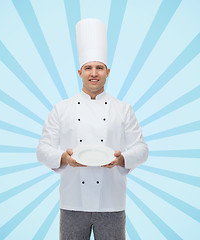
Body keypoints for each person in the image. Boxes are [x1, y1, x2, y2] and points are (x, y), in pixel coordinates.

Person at [36, 18, 148, 240]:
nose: (94, 73)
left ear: (108, 72)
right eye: (88, 68)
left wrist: (122, 158)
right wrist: (63, 158)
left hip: (112, 202)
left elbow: (142, 149)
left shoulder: (123, 109)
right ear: (80, 72)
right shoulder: (61, 108)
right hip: (72, 202)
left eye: (99, 68)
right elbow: (42, 149)